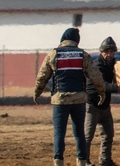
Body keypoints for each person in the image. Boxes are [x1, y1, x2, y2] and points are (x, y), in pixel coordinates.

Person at [34, 27, 106, 166]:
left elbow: (42, 76)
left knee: (59, 133)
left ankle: (58, 161)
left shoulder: (53, 54)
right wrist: (101, 92)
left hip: (59, 100)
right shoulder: (82, 55)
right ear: (76, 41)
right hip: (79, 99)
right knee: (79, 132)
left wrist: (37, 92)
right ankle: (81, 162)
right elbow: (96, 76)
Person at [84, 37, 120, 166]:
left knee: (108, 136)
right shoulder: (97, 65)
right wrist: (118, 88)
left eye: (112, 52)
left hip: (105, 106)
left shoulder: (112, 65)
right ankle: (84, 161)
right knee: (88, 137)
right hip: (92, 105)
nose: (110, 54)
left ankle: (105, 160)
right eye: (107, 51)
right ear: (101, 52)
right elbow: (102, 85)